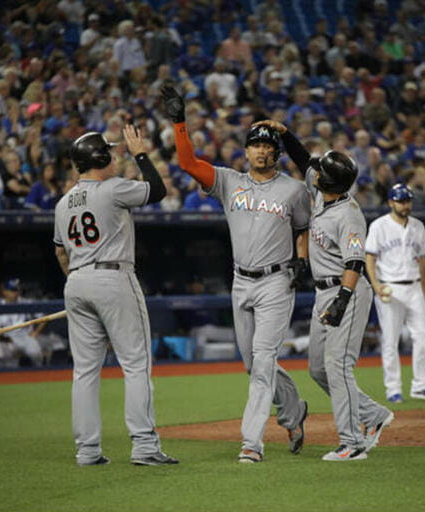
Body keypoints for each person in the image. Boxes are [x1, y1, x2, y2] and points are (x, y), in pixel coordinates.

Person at [161, 85, 310, 464]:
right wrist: (179, 122)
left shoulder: (293, 190)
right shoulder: (230, 181)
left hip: (277, 281)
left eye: (268, 145)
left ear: (276, 152)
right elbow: (188, 163)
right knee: (251, 363)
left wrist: (301, 259)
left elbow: (303, 228)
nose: (262, 150)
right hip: (240, 280)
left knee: (262, 361)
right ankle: (294, 413)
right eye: (255, 145)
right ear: (246, 151)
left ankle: (251, 443)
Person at [260, 119, 394, 461]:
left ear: (329, 181)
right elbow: (304, 159)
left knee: (338, 365)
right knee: (318, 369)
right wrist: (285, 133)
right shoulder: (323, 192)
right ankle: (373, 415)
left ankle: (352, 443)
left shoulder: (349, 215)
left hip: (346, 291)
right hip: (325, 291)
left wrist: (341, 303)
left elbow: (355, 264)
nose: (314, 171)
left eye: (321, 171)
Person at [53, 126, 177, 466]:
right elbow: (158, 190)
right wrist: (140, 154)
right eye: (109, 151)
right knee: (136, 364)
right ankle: (145, 447)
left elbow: (60, 253)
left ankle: (88, 451)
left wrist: (82, 282)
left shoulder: (63, 203)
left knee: (85, 371)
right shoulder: (112, 189)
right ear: (100, 158)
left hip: (76, 281)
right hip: (113, 276)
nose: (114, 155)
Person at [365, 184, 425, 403]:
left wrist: (423, 287)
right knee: (390, 340)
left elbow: (423, 257)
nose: (405, 204)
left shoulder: (418, 226)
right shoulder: (379, 226)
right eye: (400, 201)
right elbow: (370, 257)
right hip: (390, 287)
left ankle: (421, 385)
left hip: (414, 286)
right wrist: (376, 284)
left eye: (407, 200)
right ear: (391, 202)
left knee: (423, 337)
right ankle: (393, 388)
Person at [0, 278, 45, 369]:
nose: (16, 293)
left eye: (17, 290)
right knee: (8, 361)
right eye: (12, 290)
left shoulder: (26, 303)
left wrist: (36, 332)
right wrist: (4, 339)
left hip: (25, 336)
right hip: (7, 338)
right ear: (5, 292)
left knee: (36, 353)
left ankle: (41, 375)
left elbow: (44, 317)